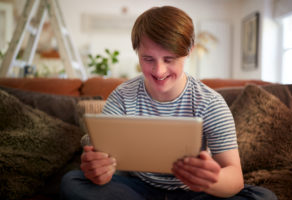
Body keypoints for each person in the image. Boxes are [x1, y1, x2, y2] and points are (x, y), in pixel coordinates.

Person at [60, 6, 277, 200]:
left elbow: (235, 176)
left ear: (189, 51)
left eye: (169, 59)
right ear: (137, 52)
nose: (158, 71)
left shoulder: (210, 102)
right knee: (73, 182)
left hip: (195, 192)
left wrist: (211, 179)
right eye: (148, 59)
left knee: (263, 196)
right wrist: (98, 172)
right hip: (138, 189)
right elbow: (101, 160)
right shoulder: (122, 96)